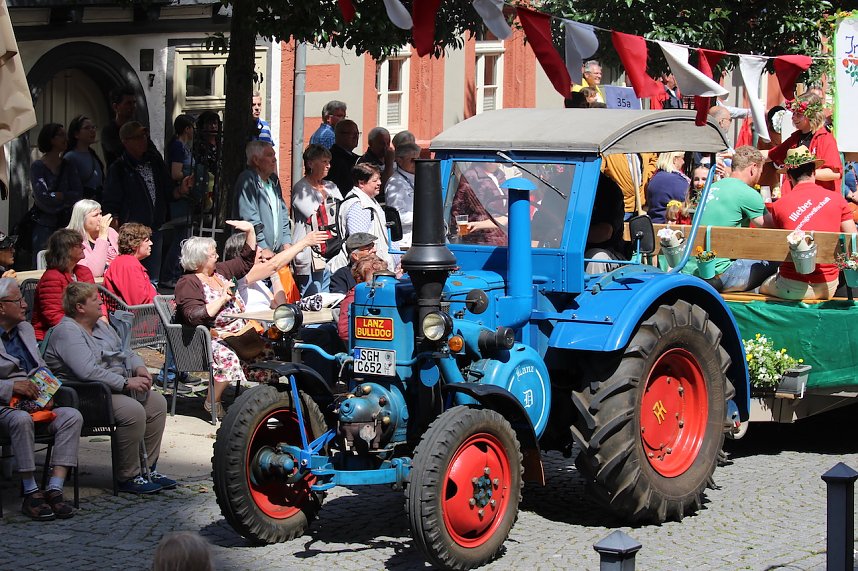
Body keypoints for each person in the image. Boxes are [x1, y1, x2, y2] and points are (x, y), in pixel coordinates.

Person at [43, 282, 175, 494]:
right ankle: (127, 475)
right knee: (132, 411)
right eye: (94, 299)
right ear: (80, 307)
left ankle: (147, 468)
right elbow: (87, 372)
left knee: (157, 403)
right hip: (85, 395)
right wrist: (125, 383)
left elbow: (126, 351)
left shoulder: (101, 326)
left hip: (112, 390)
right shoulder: (67, 332)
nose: (100, 302)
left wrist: (139, 368)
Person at [0, 278, 82, 520]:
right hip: (5, 404)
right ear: (2, 307)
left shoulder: (24, 329)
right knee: (21, 420)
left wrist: (47, 393)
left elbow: (40, 367)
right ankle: (30, 492)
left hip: (34, 401)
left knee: (72, 416)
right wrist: (12, 386)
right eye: (19, 300)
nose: (25, 305)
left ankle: (55, 488)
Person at [175, 220, 271, 419]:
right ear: (200, 259)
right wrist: (223, 298)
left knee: (268, 354)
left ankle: (266, 404)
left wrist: (250, 232)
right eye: (213, 254)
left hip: (237, 334)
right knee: (229, 358)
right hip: (209, 338)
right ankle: (212, 400)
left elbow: (245, 262)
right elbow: (193, 315)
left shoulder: (219, 271)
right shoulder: (188, 282)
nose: (217, 256)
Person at [759, 147, 857, 300]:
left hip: (792, 287)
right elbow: (853, 240)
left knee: (761, 286)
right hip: (828, 285)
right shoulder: (837, 199)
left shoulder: (779, 205)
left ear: (789, 176)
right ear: (814, 172)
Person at [682, 146, 776, 291]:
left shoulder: (710, 188)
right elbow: (772, 228)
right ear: (753, 168)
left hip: (694, 269)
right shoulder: (747, 193)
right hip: (720, 274)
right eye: (760, 172)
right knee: (777, 259)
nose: (760, 176)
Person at [104, 121, 186, 285]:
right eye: (138, 137)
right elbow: (111, 203)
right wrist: (115, 230)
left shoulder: (154, 162)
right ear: (126, 142)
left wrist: (181, 189)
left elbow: (169, 191)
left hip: (154, 229)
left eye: (144, 136)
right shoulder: (119, 168)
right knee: (130, 279)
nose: (144, 140)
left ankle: (150, 310)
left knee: (152, 280)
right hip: (132, 233)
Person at [222, 229, 325, 312]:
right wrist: (305, 242)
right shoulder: (240, 277)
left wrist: (274, 275)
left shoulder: (258, 282)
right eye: (255, 247)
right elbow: (274, 265)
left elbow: (279, 306)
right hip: (254, 332)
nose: (260, 250)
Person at [291, 144, 344, 295]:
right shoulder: (301, 189)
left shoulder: (331, 186)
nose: (329, 166)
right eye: (324, 162)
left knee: (330, 296)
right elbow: (318, 214)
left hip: (333, 248)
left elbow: (342, 211)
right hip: (310, 252)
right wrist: (332, 204)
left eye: (329, 162)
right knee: (312, 296)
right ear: (310, 163)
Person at [766, 92, 842, 196]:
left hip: (819, 199)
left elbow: (834, 173)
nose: (793, 118)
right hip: (797, 198)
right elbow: (772, 154)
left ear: (811, 115)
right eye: (793, 113)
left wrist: (803, 172)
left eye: (799, 114)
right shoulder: (796, 138)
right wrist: (744, 155)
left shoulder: (825, 138)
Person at [30, 123, 84, 266]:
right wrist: (60, 197)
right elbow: (43, 197)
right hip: (44, 224)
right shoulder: (38, 167)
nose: (65, 138)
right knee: (43, 262)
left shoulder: (68, 165)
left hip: (65, 223)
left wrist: (59, 196)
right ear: (50, 139)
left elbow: (78, 193)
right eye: (60, 135)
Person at [31, 229, 98, 341]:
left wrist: (102, 318)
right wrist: (83, 331)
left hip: (86, 328)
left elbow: (97, 301)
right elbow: (53, 316)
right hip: (55, 336)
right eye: (78, 245)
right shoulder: (51, 277)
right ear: (66, 250)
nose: (83, 247)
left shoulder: (84, 272)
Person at [330, 163, 394, 273]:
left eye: (379, 179)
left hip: (372, 267)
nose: (379, 183)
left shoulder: (367, 200)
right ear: (361, 183)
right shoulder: (359, 206)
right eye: (375, 180)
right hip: (365, 271)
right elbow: (360, 244)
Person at [236, 141, 292, 259]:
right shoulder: (248, 180)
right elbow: (250, 217)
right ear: (256, 160)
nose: (274, 159)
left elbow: (283, 213)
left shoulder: (273, 181)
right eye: (269, 155)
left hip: (275, 253)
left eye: (274, 155)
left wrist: (286, 241)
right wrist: (262, 247)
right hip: (256, 254)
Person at [162, 114, 197, 288]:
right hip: (179, 197)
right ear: (187, 129)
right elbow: (175, 173)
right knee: (180, 236)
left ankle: (175, 272)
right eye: (192, 127)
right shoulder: (177, 146)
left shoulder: (184, 146)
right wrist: (193, 175)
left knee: (184, 235)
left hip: (186, 197)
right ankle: (170, 274)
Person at [103, 223, 157, 305]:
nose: (151, 243)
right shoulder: (128, 265)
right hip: (142, 314)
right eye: (147, 241)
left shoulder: (126, 262)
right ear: (134, 245)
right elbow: (139, 302)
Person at [338, 255, 389, 342]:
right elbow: (344, 332)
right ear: (359, 279)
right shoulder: (352, 298)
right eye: (373, 278)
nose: (378, 282)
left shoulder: (388, 294)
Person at [66, 198, 118, 278]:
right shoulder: (73, 241)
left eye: (100, 214)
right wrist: (102, 236)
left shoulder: (110, 232)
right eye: (95, 215)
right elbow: (95, 273)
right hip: (93, 287)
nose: (100, 218)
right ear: (82, 219)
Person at [584, 173, 626, 273]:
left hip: (607, 249)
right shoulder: (559, 183)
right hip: (559, 248)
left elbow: (605, 233)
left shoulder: (607, 188)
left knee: (596, 258)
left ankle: (592, 288)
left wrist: (566, 234)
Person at [384, 142, 420, 248]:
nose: (417, 162)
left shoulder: (419, 177)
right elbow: (396, 217)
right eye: (412, 160)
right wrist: (423, 216)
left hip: (420, 238)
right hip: (406, 242)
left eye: (418, 159)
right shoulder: (395, 183)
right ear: (399, 160)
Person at [65, 114, 105, 201]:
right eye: (87, 128)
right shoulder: (70, 157)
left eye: (93, 127)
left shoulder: (93, 155)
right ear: (76, 134)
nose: (92, 131)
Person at [645, 152, 689, 223]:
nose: (683, 162)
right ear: (674, 159)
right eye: (682, 158)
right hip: (669, 225)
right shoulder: (678, 181)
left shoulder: (654, 179)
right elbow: (687, 203)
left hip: (653, 222)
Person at [101, 85, 137, 168]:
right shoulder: (108, 131)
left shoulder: (137, 128)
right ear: (116, 107)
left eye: (134, 103)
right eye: (128, 103)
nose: (133, 106)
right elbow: (117, 151)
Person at [326, 119, 360, 197]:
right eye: (351, 133)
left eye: (357, 133)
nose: (356, 137)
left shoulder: (355, 157)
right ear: (339, 135)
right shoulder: (333, 158)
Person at [357, 126, 394, 197]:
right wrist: (389, 164)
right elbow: (382, 187)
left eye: (388, 143)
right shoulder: (365, 163)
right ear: (371, 143)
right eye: (382, 143)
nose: (385, 147)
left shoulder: (391, 157)